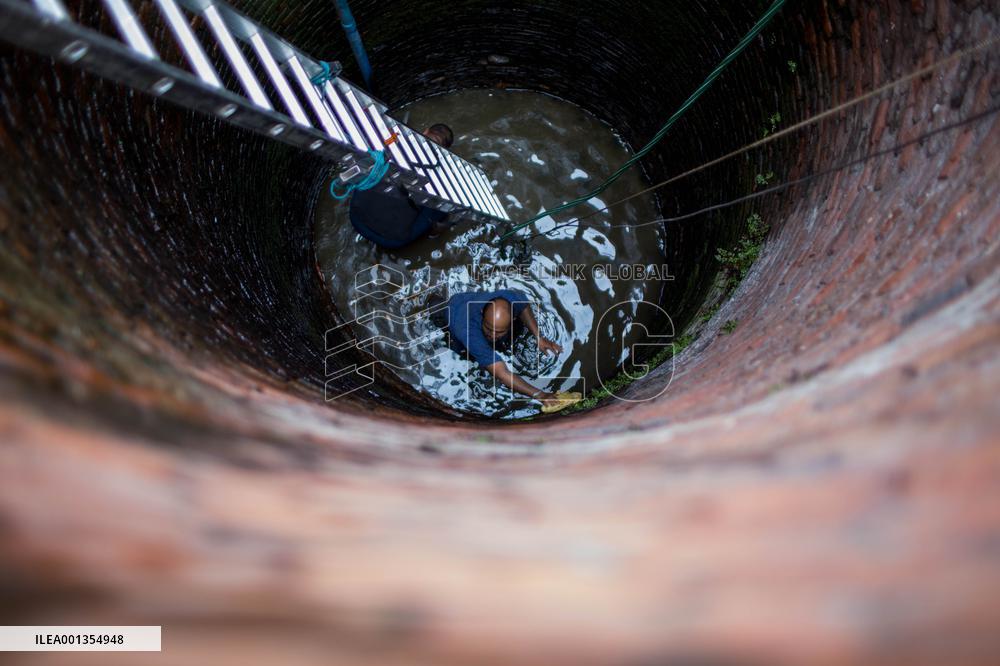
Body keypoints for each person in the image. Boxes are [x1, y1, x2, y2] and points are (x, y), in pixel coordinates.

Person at [440, 289, 573, 410]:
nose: (492, 335)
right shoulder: (469, 332)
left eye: (499, 331)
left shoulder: (511, 296)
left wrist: (539, 337)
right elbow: (501, 374)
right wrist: (540, 394)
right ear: (483, 314)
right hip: (453, 314)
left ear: (513, 318)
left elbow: (524, 306)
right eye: (488, 328)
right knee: (468, 352)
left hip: (467, 299)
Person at [348, 123, 456, 250]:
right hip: (390, 240)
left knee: (373, 174)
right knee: (441, 206)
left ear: (425, 131)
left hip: (355, 217)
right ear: (444, 152)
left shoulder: (394, 145)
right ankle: (437, 230)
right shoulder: (438, 176)